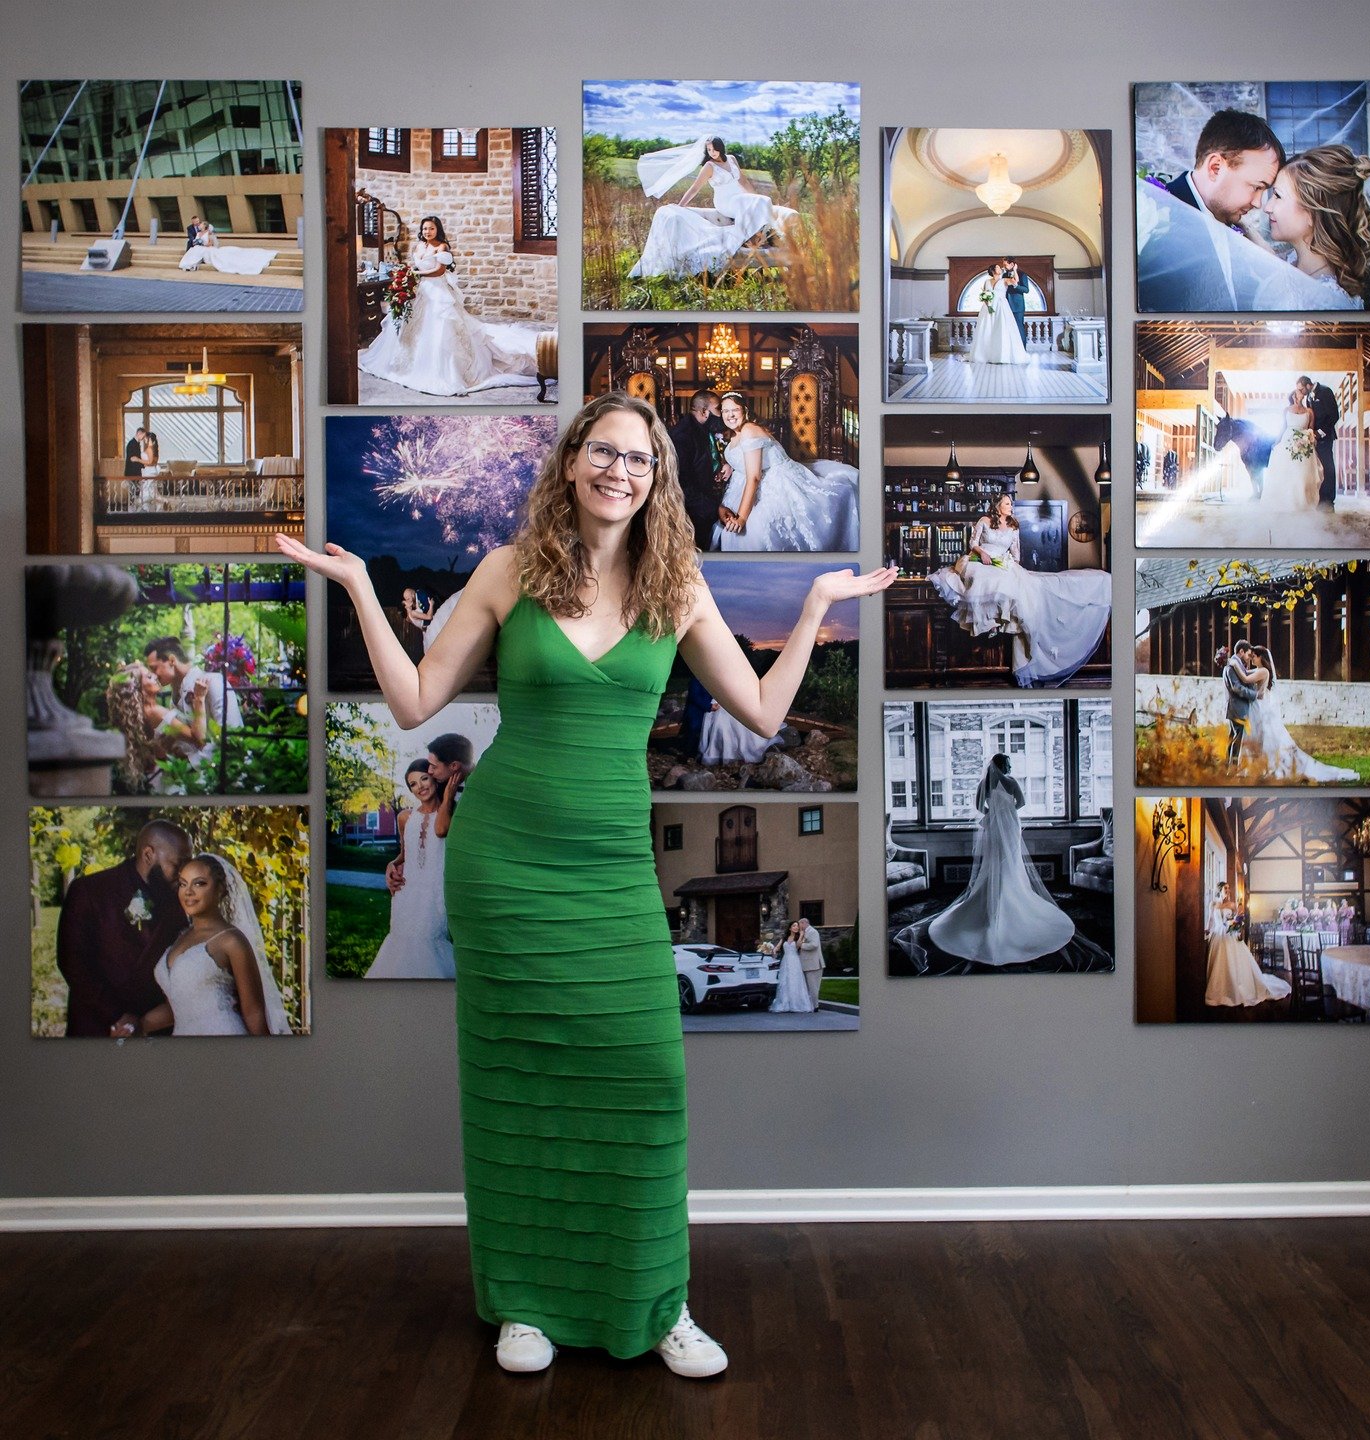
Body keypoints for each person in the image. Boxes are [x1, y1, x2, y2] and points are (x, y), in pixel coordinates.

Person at [275, 392, 895, 1377]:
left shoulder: (677, 586)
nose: (619, 470)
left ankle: (658, 1306)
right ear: (572, 463)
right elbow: (411, 702)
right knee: (519, 1086)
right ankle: (524, 1303)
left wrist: (816, 607)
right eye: (602, 451)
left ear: (658, 480)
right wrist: (353, 580)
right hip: (505, 866)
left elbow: (767, 714)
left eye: (639, 458)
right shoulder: (507, 573)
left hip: (609, 873)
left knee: (644, 1083)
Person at [927, 493, 1111, 687]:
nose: (1010, 506)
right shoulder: (984, 520)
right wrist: (982, 553)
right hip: (981, 560)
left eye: (1010, 503)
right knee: (984, 582)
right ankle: (989, 622)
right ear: (997, 506)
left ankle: (1005, 623)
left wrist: (1012, 565)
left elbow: (1015, 552)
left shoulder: (1014, 525)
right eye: (1006, 503)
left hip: (1002, 562)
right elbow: (973, 543)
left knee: (1020, 588)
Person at [358, 215, 539, 398]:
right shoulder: (420, 246)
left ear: (438, 230)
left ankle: (447, 369)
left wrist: (416, 273)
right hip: (420, 290)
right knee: (410, 326)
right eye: (425, 229)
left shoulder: (442, 247)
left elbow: (438, 271)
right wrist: (409, 276)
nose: (427, 232)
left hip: (436, 290)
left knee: (442, 326)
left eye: (431, 229)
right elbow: (414, 265)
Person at [925, 754, 1075, 966]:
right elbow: (1021, 803)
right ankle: (1008, 896)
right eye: (1008, 764)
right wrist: (1006, 811)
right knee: (1010, 863)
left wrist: (994, 812)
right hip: (1010, 827)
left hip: (994, 826)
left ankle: (992, 900)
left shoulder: (984, 783)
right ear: (1003, 765)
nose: (1010, 766)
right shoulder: (1011, 782)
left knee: (993, 862)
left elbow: (978, 807)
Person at [123, 853, 292, 1036]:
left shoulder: (231, 941)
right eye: (182, 883)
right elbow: (178, 1007)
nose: (188, 892)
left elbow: (254, 1013)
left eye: (199, 883)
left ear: (220, 889)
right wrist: (137, 1025)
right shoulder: (180, 937)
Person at [1137, 109, 1285, 311]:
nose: (1259, 203)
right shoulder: (1155, 223)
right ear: (1215, 167)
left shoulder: (1237, 228)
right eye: (1256, 187)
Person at [54, 820, 190, 1037]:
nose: (183, 873)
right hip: (99, 1028)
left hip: (157, 1032)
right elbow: (72, 963)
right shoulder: (89, 891)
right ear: (148, 854)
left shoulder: (178, 902)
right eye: (178, 864)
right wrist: (118, 1016)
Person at [628, 136, 796, 279]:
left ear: (720, 148)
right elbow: (695, 188)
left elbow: (743, 181)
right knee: (752, 202)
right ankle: (753, 238)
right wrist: (680, 206)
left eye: (714, 149)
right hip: (725, 202)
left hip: (739, 198)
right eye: (708, 150)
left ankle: (760, 238)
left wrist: (755, 198)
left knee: (763, 199)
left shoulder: (731, 159)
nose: (712, 153)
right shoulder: (709, 166)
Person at [712, 391, 860, 553]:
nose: (730, 415)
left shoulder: (749, 430)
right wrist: (730, 464)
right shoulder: (733, 434)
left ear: (745, 411)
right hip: (745, 481)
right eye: (726, 411)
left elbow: (754, 477)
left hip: (776, 480)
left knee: (754, 529)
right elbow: (744, 457)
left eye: (735, 410)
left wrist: (742, 518)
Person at [366, 761, 457, 980]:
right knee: (400, 946)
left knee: (428, 944)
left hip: (434, 895)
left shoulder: (452, 812)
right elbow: (406, 853)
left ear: (434, 777)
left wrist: (449, 796)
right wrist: (391, 864)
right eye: (413, 784)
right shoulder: (405, 817)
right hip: (406, 896)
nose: (420, 787)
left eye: (424, 778)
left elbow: (443, 832)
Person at [1256, 146, 1370, 310]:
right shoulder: (1290, 261)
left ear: (1312, 213)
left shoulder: (1328, 302)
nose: (1267, 207)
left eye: (1278, 196)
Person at [1243, 645, 1359, 783]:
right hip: (1261, 707)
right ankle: (1264, 766)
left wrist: (1231, 664)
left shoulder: (1262, 671)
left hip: (1263, 709)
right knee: (1265, 738)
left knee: (1269, 737)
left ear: (1261, 657)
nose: (1252, 659)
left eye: (1254, 657)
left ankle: (1272, 766)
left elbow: (1244, 677)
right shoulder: (1260, 671)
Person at [105, 661, 208, 792]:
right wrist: (200, 699)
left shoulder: (143, 713)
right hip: (184, 781)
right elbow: (199, 739)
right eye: (148, 676)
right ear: (138, 688)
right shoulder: (156, 713)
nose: (154, 676)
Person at [144, 637, 244, 763]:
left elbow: (231, 735)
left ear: (171, 660)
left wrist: (191, 764)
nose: (153, 675)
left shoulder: (214, 682)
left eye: (154, 668)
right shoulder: (173, 699)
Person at [1205, 882, 1290, 1007]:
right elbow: (1210, 921)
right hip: (1218, 935)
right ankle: (1220, 988)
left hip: (1230, 935)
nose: (1228, 890)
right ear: (1220, 889)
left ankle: (1236, 988)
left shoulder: (1232, 905)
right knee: (1220, 962)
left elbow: (1237, 920)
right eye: (1226, 888)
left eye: (1229, 888)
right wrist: (1206, 931)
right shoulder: (1213, 904)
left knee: (1234, 961)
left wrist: (1236, 926)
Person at [668, 390, 730, 546]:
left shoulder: (702, 428)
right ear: (704, 411)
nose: (721, 414)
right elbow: (680, 485)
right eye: (718, 409)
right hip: (690, 515)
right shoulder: (682, 436)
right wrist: (715, 509)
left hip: (707, 501)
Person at [1260, 386, 1323, 513]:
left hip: (1304, 443)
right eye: (1297, 392)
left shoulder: (1309, 411)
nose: (1299, 394)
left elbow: (1311, 428)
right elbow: (1283, 427)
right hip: (1288, 442)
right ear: (1293, 396)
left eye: (1300, 392)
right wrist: (1276, 442)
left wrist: (1311, 440)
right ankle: (1286, 502)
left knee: (1302, 474)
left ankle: (1302, 503)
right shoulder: (1286, 410)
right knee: (1287, 472)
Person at [968, 263, 1029, 366]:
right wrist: (988, 305)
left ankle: (1001, 354)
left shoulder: (1004, 280)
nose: (1000, 268)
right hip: (989, 308)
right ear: (993, 270)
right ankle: (985, 354)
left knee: (1001, 329)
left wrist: (1015, 270)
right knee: (987, 329)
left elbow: (1016, 281)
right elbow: (984, 295)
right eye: (997, 267)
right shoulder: (987, 282)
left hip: (1001, 306)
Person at [1300, 375, 1342, 510]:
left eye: (1301, 389)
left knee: (1328, 467)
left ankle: (1329, 500)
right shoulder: (1308, 398)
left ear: (1307, 385)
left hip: (1326, 437)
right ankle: (1319, 498)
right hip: (1314, 438)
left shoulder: (1325, 391)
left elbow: (1334, 415)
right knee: (1317, 467)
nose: (1300, 392)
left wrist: (1320, 433)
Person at [178, 221, 278, 277]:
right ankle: (191, 265)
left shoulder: (208, 234)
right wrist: (196, 242)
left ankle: (192, 264)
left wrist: (202, 244)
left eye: (201, 225)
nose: (200, 226)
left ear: (205, 227)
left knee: (200, 251)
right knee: (194, 250)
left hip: (206, 248)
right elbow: (195, 241)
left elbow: (210, 243)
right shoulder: (198, 234)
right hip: (198, 248)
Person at [698, 700, 781, 765]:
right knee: (721, 723)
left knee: (738, 723)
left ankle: (743, 748)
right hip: (717, 701)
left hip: (727, 698)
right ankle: (723, 753)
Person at [1222, 642, 1260, 769]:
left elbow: (1245, 676)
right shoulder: (1232, 666)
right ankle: (1231, 768)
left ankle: (1228, 766)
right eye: (1248, 654)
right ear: (1241, 652)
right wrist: (1254, 694)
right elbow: (1237, 688)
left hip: (1236, 707)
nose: (1249, 657)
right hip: (1236, 707)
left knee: (1233, 737)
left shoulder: (1236, 664)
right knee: (1237, 739)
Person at [769, 921, 814, 1014]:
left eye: (797, 926)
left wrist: (801, 935)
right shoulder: (785, 938)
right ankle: (785, 1002)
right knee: (785, 981)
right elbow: (777, 947)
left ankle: (796, 1003)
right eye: (794, 926)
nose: (796, 927)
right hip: (786, 961)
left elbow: (798, 946)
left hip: (794, 961)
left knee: (794, 980)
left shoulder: (799, 937)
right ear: (790, 928)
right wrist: (773, 950)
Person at [796, 916, 825, 1009]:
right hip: (807, 964)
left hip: (813, 964)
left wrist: (801, 945)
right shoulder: (804, 933)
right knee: (809, 986)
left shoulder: (813, 932)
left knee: (813, 986)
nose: (798, 926)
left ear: (804, 923)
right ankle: (810, 1004)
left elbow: (814, 945)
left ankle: (815, 1005)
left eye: (799, 924)